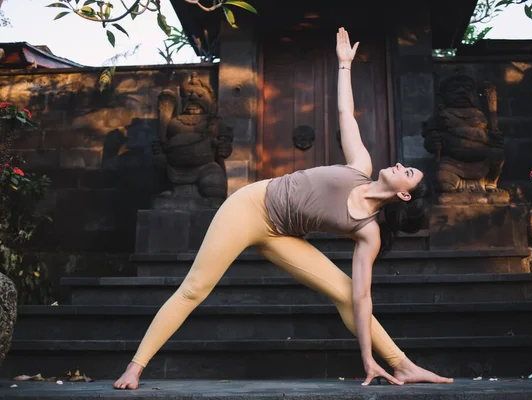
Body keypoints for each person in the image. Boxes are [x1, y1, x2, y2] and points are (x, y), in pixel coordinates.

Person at [114, 27, 453, 390]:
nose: (401, 166)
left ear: (403, 196)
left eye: (409, 173)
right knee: (195, 288)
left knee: (343, 290)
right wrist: (344, 66)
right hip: (248, 207)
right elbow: (345, 113)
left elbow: (361, 298)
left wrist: (368, 359)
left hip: (281, 234)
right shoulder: (360, 167)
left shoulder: (368, 231)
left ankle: (401, 365)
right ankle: (135, 367)